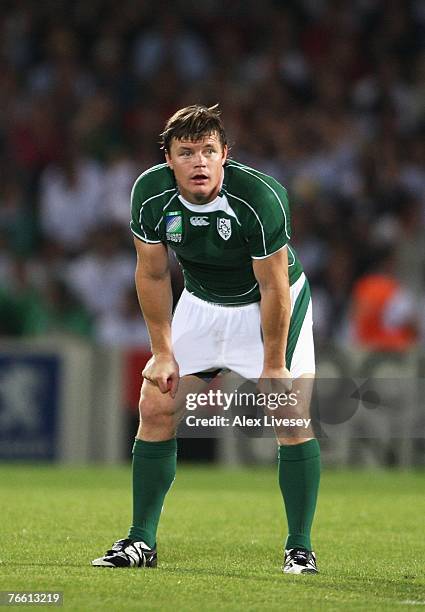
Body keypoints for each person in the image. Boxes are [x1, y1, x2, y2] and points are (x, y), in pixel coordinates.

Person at [92, 105, 320, 574]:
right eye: (187, 152)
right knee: (156, 405)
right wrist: (161, 352)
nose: (199, 162)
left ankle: (300, 547)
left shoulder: (259, 196)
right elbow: (152, 273)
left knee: (289, 412)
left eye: (208, 151)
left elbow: (275, 286)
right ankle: (140, 541)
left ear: (225, 156)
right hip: (201, 303)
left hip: (268, 306)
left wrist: (273, 364)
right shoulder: (150, 195)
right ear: (169, 159)